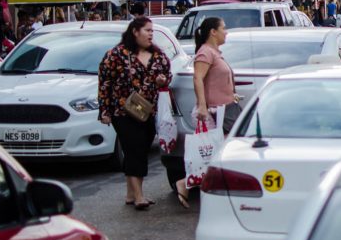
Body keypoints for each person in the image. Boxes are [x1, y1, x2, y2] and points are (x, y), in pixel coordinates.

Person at [98, 17, 172, 210]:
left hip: (148, 110)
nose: (150, 34)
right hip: (123, 111)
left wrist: (163, 80)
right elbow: (105, 84)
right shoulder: (116, 55)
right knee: (134, 148)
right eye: (147, 30)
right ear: (135, 32)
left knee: (142, 146)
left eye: (152, 31)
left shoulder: (157, 55)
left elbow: (167, 74)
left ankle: (130, 193)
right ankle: (139, 196)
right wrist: (104, 110)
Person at [177, 17, 238, 208]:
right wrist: (202, 106)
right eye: (224, 28)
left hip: (226, 108)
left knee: (223, 153)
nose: (226, 32)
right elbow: (198, 78)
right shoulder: (205, 52)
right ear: (213, 32)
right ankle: (186, 183)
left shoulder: (214, 52)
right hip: (214, 112)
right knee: (217, 153)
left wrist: (231, 94)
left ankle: (218, 190)